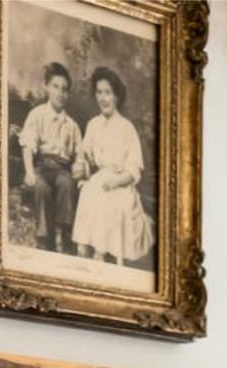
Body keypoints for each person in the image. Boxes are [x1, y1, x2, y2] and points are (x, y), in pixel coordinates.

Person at [72, 67, 154, 268]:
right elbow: (83, 153)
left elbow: (134, 170)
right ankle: (85, 252)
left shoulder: (127, 128)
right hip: (98, 181)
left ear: (116, 96)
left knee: (108, 201)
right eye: (99, 93)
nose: (103, 98)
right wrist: (81, 171)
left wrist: (115, 182)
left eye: (107, 92)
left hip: (120, 184)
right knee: (89, 194)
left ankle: (101, 255)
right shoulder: (93, 124)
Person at [19, 63, 83, 253]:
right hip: (42, 166)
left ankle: (63, 234)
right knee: (41, 188)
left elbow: (79, 153)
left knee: (67, 185)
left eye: (64, 89)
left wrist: (80, 167)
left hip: (63, 169)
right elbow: (28, 145)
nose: (60, 93)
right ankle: (43, 238)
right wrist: (29, 171)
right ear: (47, 87)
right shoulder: (37, 115)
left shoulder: (72, 125)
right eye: (55, 87)